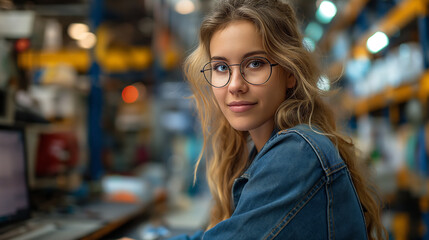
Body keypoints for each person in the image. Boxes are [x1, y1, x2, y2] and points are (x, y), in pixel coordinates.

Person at [168, 0, 388, 239]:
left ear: (290, 73)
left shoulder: (297, 153)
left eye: (255, 63)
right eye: (221, 67)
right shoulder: (263, 153)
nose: (234, 85)